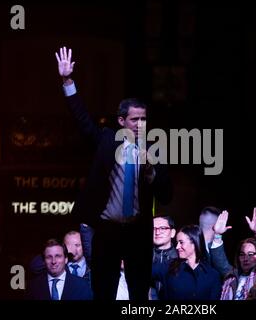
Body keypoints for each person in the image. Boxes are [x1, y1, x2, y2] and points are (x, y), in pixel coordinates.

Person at [55, 47, 172, 300]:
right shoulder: (107, 141)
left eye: (143, 120)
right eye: (134, 120)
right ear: (121, 121)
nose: (140, 125)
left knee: (139, 293)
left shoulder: (155, 149)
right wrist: (67, 81)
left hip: (138, 233)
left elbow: (167, 194)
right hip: (108, 231)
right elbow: (83, 121)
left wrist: (150, 168)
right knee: (103, 291)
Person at [152, 225, 222, 300]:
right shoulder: (168, 266)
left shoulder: (212, 275)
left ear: (194, 243)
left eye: (181, 242)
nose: (177, 247)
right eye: (177, 243)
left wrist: (218, 235)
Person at [26, 239, 93, 300]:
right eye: (49, 257)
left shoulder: (82, 285)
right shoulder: (33, 287)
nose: (53, 261)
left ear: (66, 259)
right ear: (44, 261)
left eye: (58, 256)